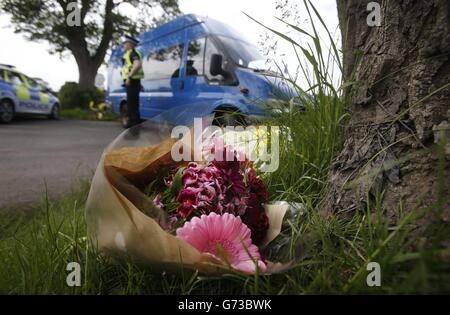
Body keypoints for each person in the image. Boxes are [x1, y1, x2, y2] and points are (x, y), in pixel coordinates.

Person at [121, 35, 144, 128]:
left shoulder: (132, 53)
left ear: (130, 44)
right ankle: (135, 129)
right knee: (133, 106)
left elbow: (137, 65)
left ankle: (133, 131)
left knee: (132, 107)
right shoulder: (130, 54)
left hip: (132, 83)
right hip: (135, 82)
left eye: (125, 43)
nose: (123, 45)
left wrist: (129, 77)